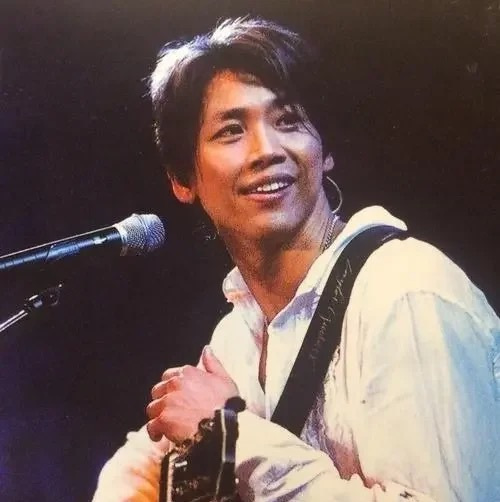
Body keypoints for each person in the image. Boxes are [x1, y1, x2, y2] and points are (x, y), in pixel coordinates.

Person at [92, 17, 500, 502]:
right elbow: (137, 468)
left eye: (287, 121)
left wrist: (233, 438)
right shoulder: (237, 338)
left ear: (324, 152)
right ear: (183, 180)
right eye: (231, 130)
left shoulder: (406, 291)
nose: (268, 150)